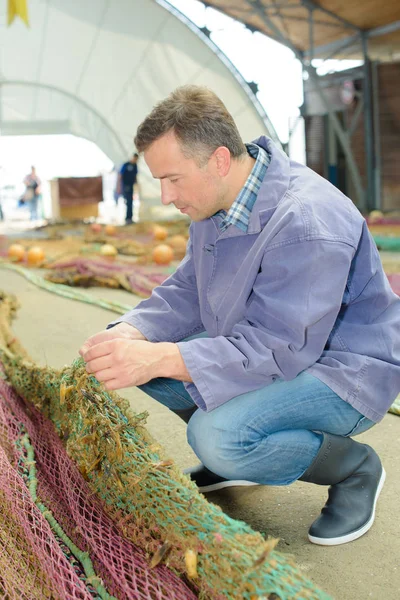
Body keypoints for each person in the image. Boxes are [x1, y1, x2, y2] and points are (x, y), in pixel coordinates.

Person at [79, 85, 400, 546]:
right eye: (158, 182)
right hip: (278, 350)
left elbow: (281, 347)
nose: (166, 196)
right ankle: (250, 448)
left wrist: (161, 358)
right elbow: (189, 289)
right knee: (140, 355)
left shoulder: (307, 221)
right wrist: (130, 333)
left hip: (345, 369)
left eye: (172, 178)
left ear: (220, 160)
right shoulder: (214, 202)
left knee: (219, 436)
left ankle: (353, 468)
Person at [117, 153, 139, 224]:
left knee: (131, 202)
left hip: (131, 186)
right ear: (132, 157)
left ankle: (130, 218)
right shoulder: (126, 165)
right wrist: (119, 186)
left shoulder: (135, 166)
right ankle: (127, 219)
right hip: (125, 186)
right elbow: (120, 175)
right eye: (134, 159)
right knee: (128, 202)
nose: (135, 160)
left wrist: (136, 185)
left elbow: (135, 176)